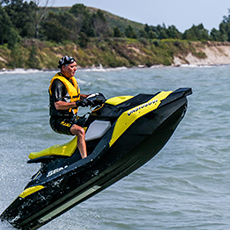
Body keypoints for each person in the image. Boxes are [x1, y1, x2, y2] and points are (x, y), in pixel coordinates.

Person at [49, 55, 89, 159]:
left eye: (75, 66)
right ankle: (85, 159)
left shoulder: (71, 80)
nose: (75, 69)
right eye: (72, 66)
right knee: (80, 131)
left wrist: (90, 97)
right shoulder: (57, 83)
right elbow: (58, 105)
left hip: (72, 118)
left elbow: (74, 96)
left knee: (93, 120)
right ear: (63, 67)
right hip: (59, 121)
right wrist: (77, 104)